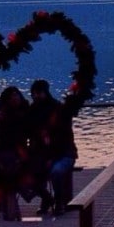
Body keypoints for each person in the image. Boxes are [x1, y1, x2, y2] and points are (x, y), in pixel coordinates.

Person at [29, 78, 81, 215]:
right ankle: (46, 198)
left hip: (64, 153)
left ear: (46, 92)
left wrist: (51, 157)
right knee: (28, 172)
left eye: (39, 93)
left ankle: (59, 201)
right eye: (34, 93)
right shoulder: (32, 111)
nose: (36, 96)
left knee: (56, 171)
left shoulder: (59, 110)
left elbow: (65, 139)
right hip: (42, 154)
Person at [0, 85, 41, 218]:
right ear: (6, 100)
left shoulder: (26, 111)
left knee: (15, 163)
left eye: (16, 95)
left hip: (20, 148)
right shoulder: (3, 114)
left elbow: (32, 132)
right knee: (6, 161)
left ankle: (13, 200)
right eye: (11, 96)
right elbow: (0, 136)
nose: (15, 98)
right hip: (4, 147)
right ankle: (24, 193)